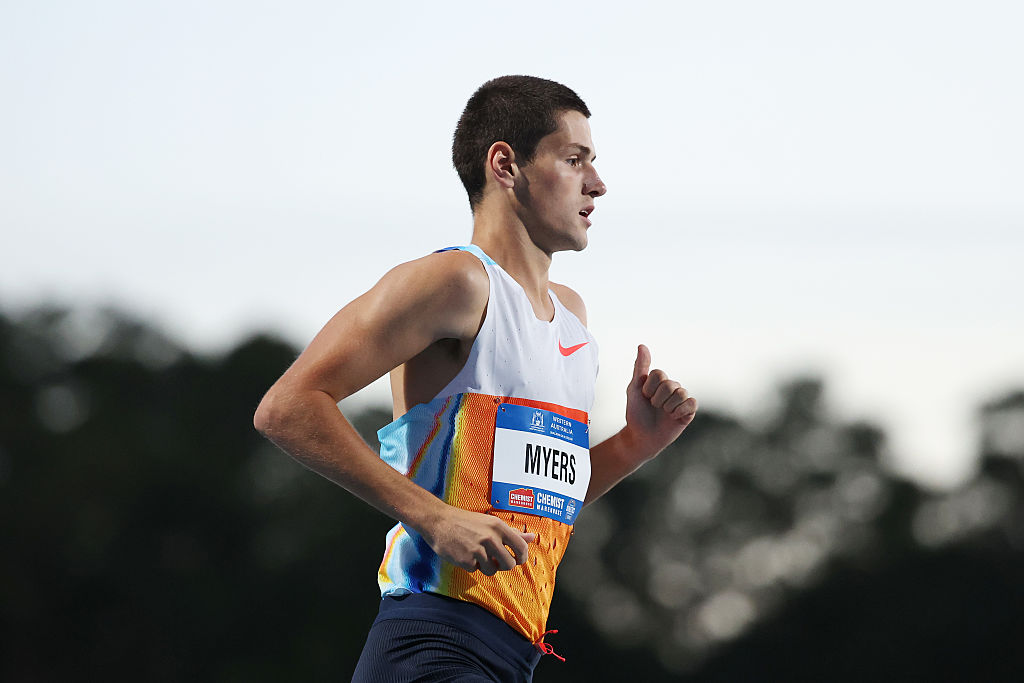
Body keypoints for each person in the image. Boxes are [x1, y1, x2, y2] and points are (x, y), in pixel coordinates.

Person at [253, 75, 698, 682]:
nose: (597, 184)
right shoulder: (456, 284)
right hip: (433, 642)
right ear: (505, 164)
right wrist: (432, 518)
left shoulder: (572, 318)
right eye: (574, 160)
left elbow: (536, 503)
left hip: (514, 655)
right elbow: (287, 407)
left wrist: (636, 443)